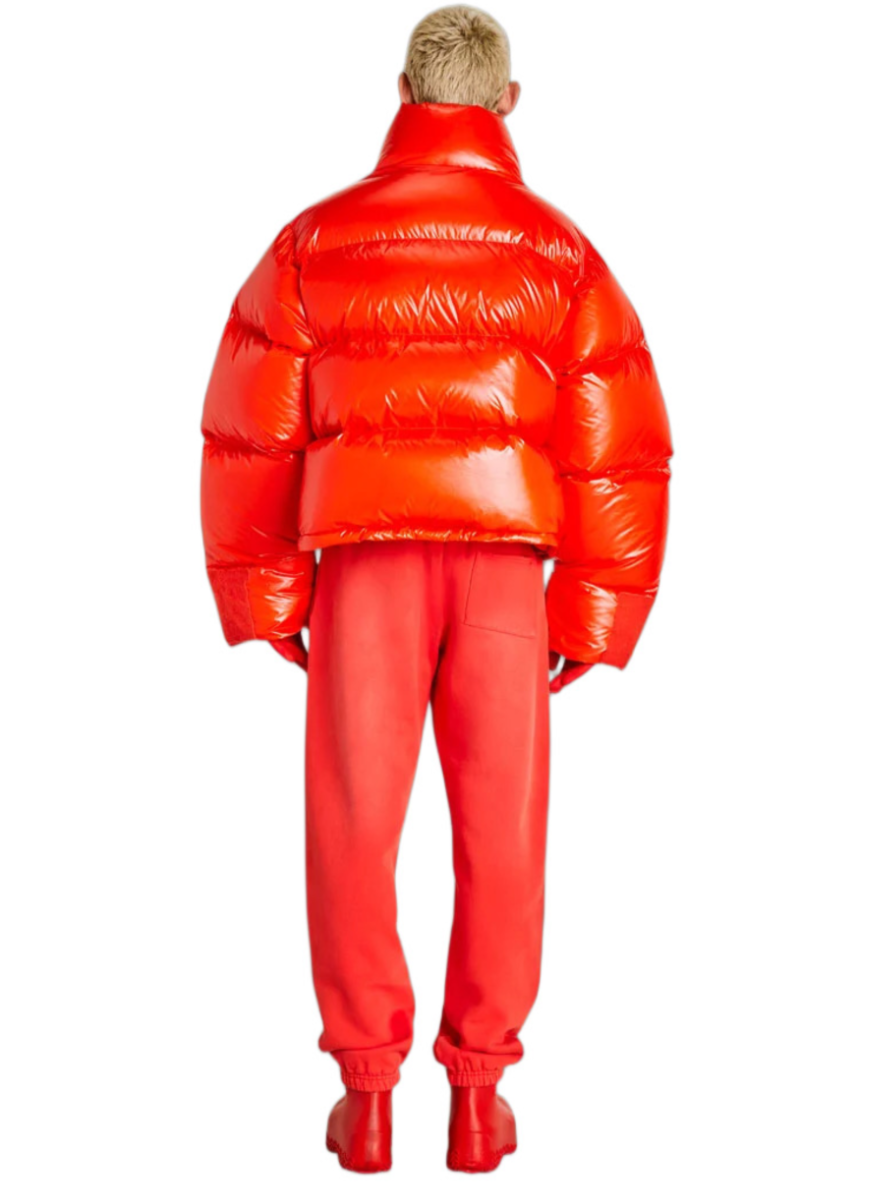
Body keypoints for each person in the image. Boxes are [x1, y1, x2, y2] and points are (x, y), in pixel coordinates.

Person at [199, 5, 672, 1172]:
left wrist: (269, 596)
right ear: (509, 102)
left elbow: (250, 429)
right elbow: (618, 445)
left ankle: (366, 1099)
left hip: (362, 567)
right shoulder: (558, 253)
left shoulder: (314, 242)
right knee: (502, 833)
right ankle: (477, 1096)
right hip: (505, 572)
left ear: (401, 90)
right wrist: (594, 608)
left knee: (352, 828)